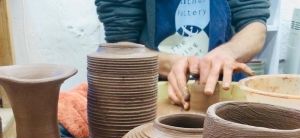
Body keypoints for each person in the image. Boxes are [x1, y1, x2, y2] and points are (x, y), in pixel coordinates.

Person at [95, 0, 270, 110]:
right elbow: (122, 45)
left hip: (222, 87)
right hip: (151, 91)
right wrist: (171, 63)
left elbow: (255, 26)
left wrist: (230, 51)